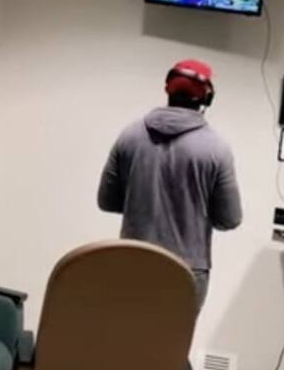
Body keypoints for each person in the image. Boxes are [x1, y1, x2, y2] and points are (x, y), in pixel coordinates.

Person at [97, 59, 242, 311]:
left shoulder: (129, 136)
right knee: (172, 337)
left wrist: (140, 201)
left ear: (167, 89)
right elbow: (230, 219)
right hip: (186, 271)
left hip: (132, 261)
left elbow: (107, 201)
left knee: (127, 333)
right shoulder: (216, 149)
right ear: (207, 97)